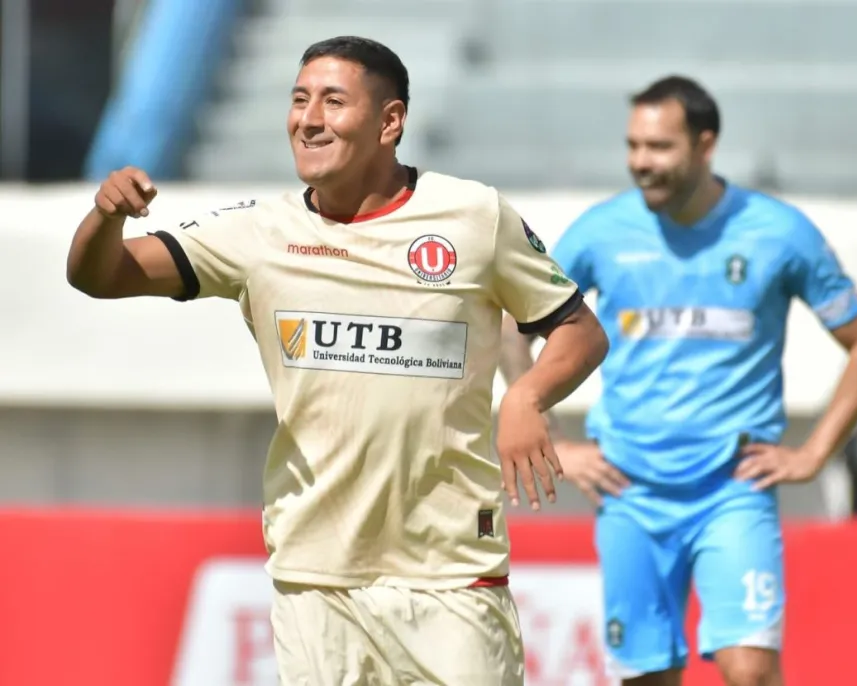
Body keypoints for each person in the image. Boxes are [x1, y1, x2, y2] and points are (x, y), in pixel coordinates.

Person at [66, 36, 608, 686]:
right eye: (299, 100)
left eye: (332, 101)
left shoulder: (473, 218)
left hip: (450, 577)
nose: (309, 119)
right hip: (315, 580)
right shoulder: (257, 233)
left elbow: (578, 330)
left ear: (390, 121)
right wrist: (104, 216)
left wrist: (526, 396)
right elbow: (101, 275)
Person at [499, 75, 857, 686]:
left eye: (659, 147)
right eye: (633, 146)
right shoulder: (603, 232)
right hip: (629, 489)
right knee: (647, 677)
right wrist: (554, 439)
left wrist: (815, 453)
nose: (641, 162)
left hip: (733, 490)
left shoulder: (778, 232)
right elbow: (512, 327)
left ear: (706, 145)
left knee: (750, 670)